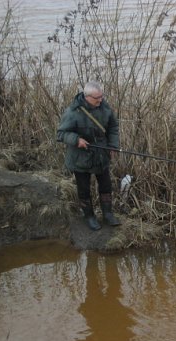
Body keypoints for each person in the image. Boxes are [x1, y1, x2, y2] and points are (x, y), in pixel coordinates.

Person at [57, 81, 121, 230]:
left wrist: (112, 146)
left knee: (105, 185)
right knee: (84, 189)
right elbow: (61, 134)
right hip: (80, 157)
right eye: (97, 97)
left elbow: (113, 127)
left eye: (102, 96)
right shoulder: (72, 112)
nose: (100, 100)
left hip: (101, 154)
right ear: (87, 96)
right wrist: (76, 140)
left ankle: (108, 214)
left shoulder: (104, 107)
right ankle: (89, 216)